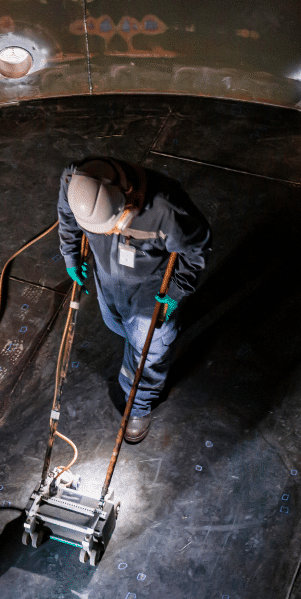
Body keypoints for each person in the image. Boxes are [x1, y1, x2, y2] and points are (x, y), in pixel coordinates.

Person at [57, 157, 212, 443]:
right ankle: (135, 339)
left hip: (151, 287)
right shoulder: (77, 181)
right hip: (107, 278)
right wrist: (71, 253)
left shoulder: (166, 209)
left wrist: (176, 292)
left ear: (126, 197)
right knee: (118, 325)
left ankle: (138, 405)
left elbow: (197, 248)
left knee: (148, 353)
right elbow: (68, 216)